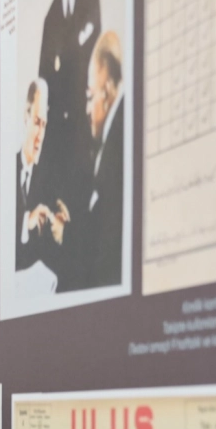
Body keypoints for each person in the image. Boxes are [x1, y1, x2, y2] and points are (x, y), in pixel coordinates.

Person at [50, 30, 126, 292]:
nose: (86, 109)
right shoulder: (114, 134)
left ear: (107, 90)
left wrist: (65, 232)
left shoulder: (117, 138)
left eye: (90, 96)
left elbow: (105, 243)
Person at [37, 0, 101, 198]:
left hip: (85, 122)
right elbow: (43, 77)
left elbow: (96, 54)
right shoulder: (50, 16)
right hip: (60, 134)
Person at [14, 78, 59, 274]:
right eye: (37, 122)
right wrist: (26, 221)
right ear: (26, 116)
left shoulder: (48, 182)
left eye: (44, 125)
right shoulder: (7, 172)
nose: (40, 135)